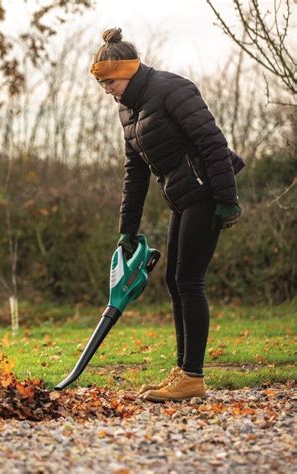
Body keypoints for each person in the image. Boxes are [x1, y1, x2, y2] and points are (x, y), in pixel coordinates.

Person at [90, 28, 245, 402]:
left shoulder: (172, 89)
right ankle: (184, 372)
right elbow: (136, 173)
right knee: (176, 283)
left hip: (207, 192)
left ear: (128, 71)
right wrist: (127, 230)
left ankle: (193, 375)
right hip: (183, 197)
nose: (107, 90)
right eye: (102, 84)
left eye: (109, 81)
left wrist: (227, 199)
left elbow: (212, 142)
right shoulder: (129, 111)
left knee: (189, 281)